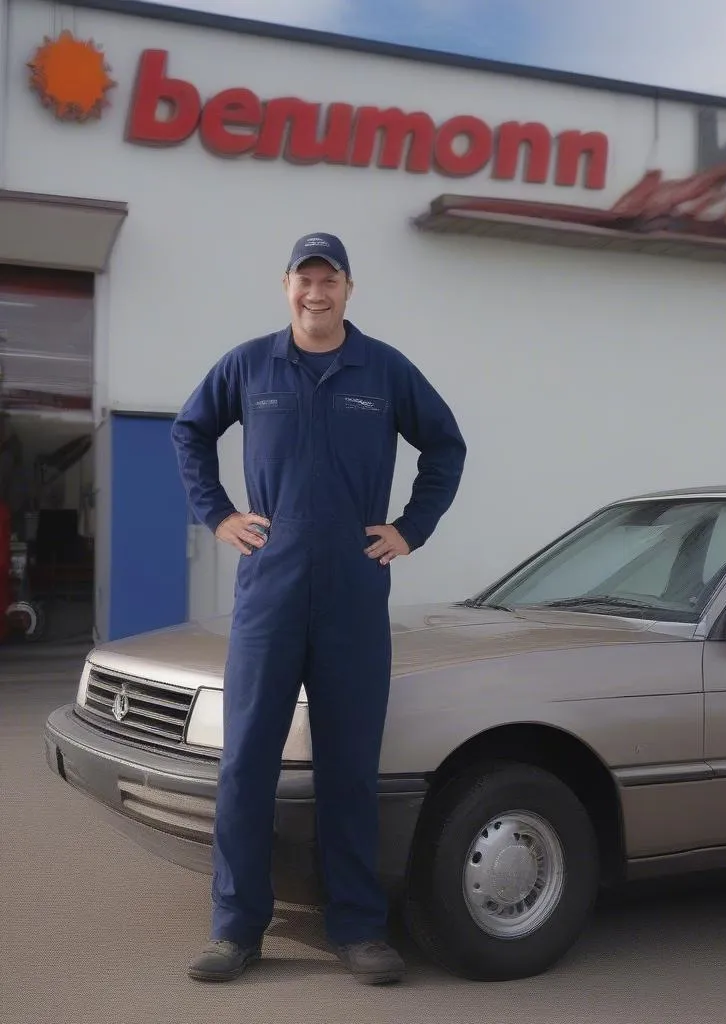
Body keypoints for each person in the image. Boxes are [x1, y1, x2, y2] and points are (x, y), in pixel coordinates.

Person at [170, 232, 466, 985]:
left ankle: (359, 929)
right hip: (270, 588)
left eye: (328, 279)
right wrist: (219, 515)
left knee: (348, 767)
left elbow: (446, 447)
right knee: (246, 765)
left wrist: (410, 528)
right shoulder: (249, 365)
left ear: (347, 288)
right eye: (305, 279)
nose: (316, 292)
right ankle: (236, 931)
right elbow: (190, 430)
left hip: (353, 591)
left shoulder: (385, 370)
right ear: (287, 287)